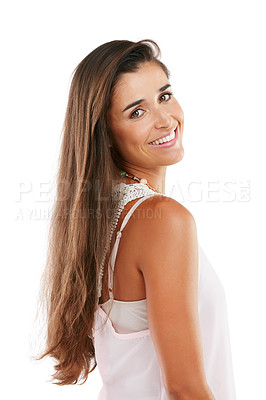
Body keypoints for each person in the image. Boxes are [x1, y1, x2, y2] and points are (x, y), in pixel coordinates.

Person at [37, 39, 236, 399]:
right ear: (106, 135)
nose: (165, 119)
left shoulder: (99, 218)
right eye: (136, 112)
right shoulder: (162, 220)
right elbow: (185, 390)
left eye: (164, 95)